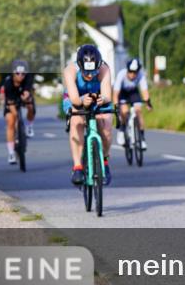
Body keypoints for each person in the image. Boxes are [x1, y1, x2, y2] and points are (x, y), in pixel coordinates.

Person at [62, 44, 114, 186]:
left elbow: (107, 96)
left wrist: (102, 99)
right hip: (76, 97)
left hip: (98, 97)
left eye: (93, 72)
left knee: (106, 124)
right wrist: (82, 101)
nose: (90, 76)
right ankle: (78, 167)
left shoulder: (104, 68)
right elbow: (74, 99)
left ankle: (104, 159)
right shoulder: (70, 70)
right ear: (79, 66)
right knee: (76, 121)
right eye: (86, 72)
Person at [113, 57, 152, 150]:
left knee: (138, 111)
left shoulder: (141, 75)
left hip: (133, 92)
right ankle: (122, 129)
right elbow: (115, 94)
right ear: (127, 70)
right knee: (125, 111)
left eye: (135, 72)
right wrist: (116, 106)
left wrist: (148, 103)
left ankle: (142, 139)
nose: (133, 74)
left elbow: (144, 91)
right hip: (122, 93)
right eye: (130, 71)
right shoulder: (121, 74)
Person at [1, 60, 35, 164]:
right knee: (11, 121)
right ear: (13, 73)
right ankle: (11, 153)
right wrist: (16, 117)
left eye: (23, 74)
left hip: (23, 96)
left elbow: (27, 91)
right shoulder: (8, 83)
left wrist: (26, 96)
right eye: (17, 73)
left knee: (30, 106)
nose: (20, 76)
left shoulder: (28, 78)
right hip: (11, 100)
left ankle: (29, 126)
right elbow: (10, 104)